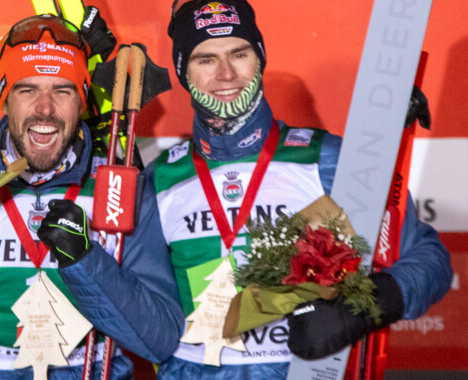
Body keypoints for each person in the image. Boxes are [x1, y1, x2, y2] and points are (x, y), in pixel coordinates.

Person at [118, 0, 448, 378]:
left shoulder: (325, 159)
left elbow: (429, 259)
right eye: (205, 60)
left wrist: (363, 307)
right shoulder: (160, 179)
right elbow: (147, 320)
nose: (226, 74)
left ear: (259, 58)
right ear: (184, 72)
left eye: (239, 54)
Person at [0, 13, 185, 379]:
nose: (45, 108)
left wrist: (86, 262)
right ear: (4, 101)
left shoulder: (118, 186)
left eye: (62, 90)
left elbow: (160, 340)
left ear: (83, 101)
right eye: (28, 90)